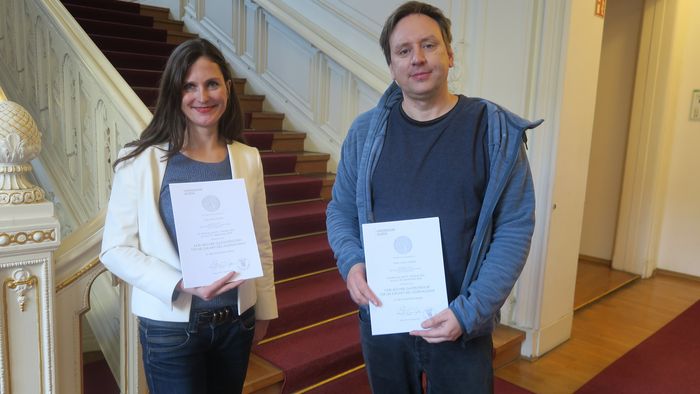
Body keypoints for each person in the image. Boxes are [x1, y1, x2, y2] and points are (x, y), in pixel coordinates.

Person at [326, 2, 542, 393]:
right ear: (391, 66)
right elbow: (340, 209)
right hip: (384, 321)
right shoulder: (364, 133)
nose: (418, 59)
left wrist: (470, 311)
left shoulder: (493, 130)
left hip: (461, 325)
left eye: (429, 44)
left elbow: (514, 228)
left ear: (450, 53)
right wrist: (352, 262)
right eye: (404, 51)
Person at [100, 38, 277, 394]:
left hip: (235, 322)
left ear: (227, 87)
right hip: (171, 328)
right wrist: (180, 283)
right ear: (174, 93)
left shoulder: (247, 157)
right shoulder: (141, 160)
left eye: (212, 84)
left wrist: (264, 309)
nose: (203, 97)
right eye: (189, 87)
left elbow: (260, 240)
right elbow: (114, 249)